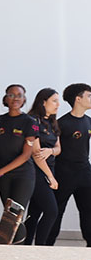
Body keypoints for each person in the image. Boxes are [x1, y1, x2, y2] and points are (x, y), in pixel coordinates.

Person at [0, 84, 38, 213]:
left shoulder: (30, 122)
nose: (16, 98)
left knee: (15, 214)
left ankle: (21, 229)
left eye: (19, 95)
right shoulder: (0, 120)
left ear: (24, 99)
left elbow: (26, 155)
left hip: (23, 174)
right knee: (8, 213)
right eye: (11, 95)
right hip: (3, 176)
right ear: (6, 98)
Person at [49, 83, 91, 246]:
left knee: (88, 211)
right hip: (64, 174)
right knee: (57, 211)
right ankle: (47, 245)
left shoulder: (88, 122)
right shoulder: (62, 123)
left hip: (85, 173)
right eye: (89, 96)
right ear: (78, 99)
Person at [26, 89, 60, 246]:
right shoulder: (33, 120)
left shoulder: (53, 122)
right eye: (54, 101)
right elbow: (36, 154)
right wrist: (50, 177)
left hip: (48, 169)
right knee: (52, 211)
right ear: (43, 102)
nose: (58, 104)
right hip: (36, 172)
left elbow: (58, 148)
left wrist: (50, 151)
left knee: (34, 213)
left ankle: (26, 246)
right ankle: (41, 246)